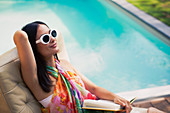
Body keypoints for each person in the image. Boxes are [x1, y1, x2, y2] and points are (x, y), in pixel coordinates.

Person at [13, 21, 165, 113]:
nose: (53, 38)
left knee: (153, 111)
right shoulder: (37, 79)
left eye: (52, 33)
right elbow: (20, 36)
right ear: (33, 47)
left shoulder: (65, 65)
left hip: (98, 109)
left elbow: (93, 89)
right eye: (45, 38)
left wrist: (117, 98)